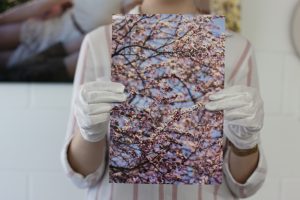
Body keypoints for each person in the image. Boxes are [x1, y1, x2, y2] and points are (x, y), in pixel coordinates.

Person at [61, 0, 267, 199]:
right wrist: (90, 134)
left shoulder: (237, 49)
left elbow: (243, 187)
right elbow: (81, 176)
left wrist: (245, 144)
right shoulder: (98, 43)